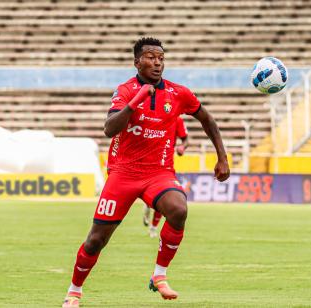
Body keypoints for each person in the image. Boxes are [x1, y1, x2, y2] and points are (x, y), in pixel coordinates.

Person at [62, 37, 230, 308]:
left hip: (159, 172)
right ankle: (74, 291)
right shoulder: (126, 90)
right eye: (151, 57)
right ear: (137, 61)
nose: (157, 62)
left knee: (178, 209)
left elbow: (207, 119)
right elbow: (109, 129)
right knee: (96, 240)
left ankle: (159, 275)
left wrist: (222, 157)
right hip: (123, 174)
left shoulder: (178, 93)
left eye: (161, 58)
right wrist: (136, 101)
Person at [142, 116, 189, 238]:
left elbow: (186, 139)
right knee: (153, 198)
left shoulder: (177, 119)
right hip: (145, 161)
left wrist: (182, 147)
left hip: (165, 164)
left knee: (164, 197)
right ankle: (147, 206)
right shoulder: (150, 115)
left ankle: (153, 227)